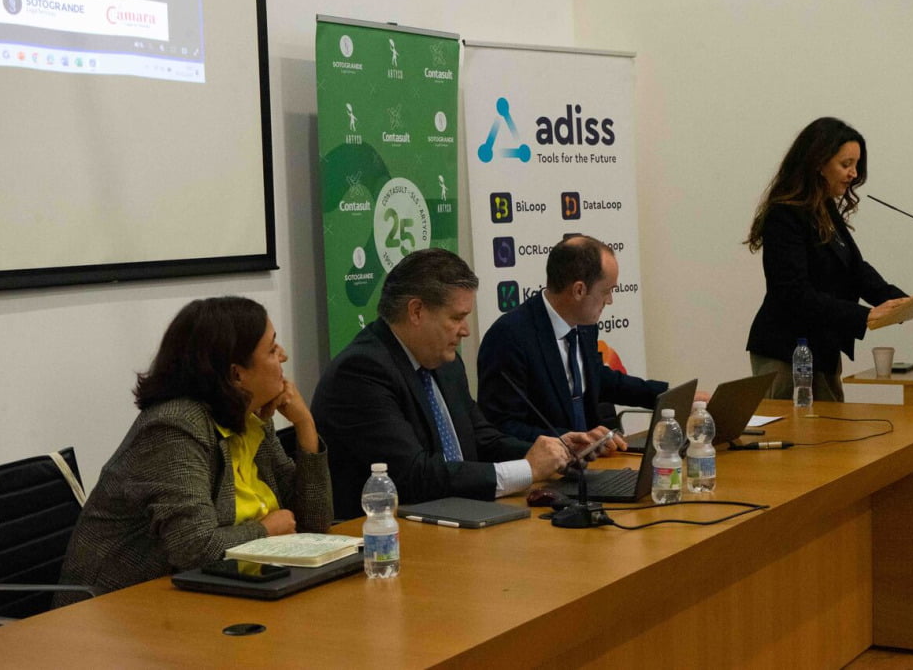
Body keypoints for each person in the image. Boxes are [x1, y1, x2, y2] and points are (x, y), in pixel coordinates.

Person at [55, 297, 332, 606]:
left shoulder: (249, 419)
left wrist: (305, 424)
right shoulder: (175, 428)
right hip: (115, 608)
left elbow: (314, 524)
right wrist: (267, 530)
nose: (283, 356)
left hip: (211, 594)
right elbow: (195, 548)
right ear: (236, 375)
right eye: (271, 349)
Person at [311, 248, 595, 520]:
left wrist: (554, 450)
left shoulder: (445, 363)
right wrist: (527, 469)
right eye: (457, 317)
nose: (466, 330)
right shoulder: (361, 372)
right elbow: (413, 476)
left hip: (457, 515)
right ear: (416, 311)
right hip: (387, 534)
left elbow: (482, 440)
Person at [745, 117, 909, 401]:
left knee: (832, 427)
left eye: (856, 165)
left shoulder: (824, 208)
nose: (853, 174)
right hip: (786, 351)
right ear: (818, 163)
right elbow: (792, 292)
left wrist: (900, 301)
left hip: (823, 348)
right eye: (846, 164)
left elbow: (855, 269)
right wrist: (864, 315)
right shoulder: (784, 215)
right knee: (797, 428)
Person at [478, 235, 683, 448]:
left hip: (594, 460)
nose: (610, 300)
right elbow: (502, 427)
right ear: (579, 290)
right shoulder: (509, 337)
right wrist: (572, 441)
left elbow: (596, 377)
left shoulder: (584, 325)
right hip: (546, 465)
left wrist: (668, 397)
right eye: (606, 291)